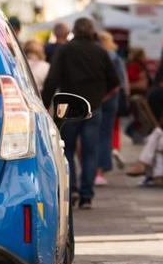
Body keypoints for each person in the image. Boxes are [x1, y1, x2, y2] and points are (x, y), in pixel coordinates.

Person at [41, 17, 119, 210]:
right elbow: (115, 83)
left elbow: (52, 79)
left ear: (74, 31)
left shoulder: (65, 50)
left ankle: (72, 188)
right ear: (92, 31)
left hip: (68, 108)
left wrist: (44, 104)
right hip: (93, 107)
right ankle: (86, 196)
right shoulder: (100, 51)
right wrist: (101, 98)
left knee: (67, 150)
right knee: (90, 151)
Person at [95, 31, 128, 183]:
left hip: (95, 98)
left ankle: (93, 169)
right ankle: (101, 170)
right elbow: (121, 81)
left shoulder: (94, 55)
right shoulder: (115, 57)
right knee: (105, 134)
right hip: (111, 99)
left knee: (92, 133)